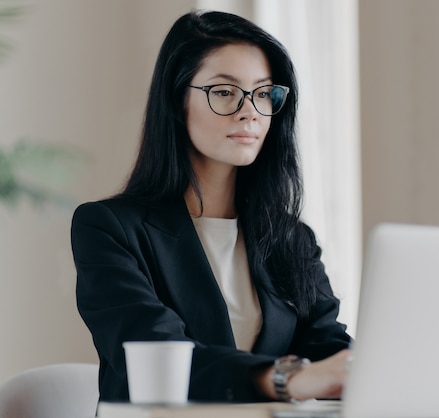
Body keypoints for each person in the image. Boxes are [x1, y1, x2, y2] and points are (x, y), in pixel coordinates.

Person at [71, 10, 352, 403]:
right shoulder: (109, 228)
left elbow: (327, 347)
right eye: (224, 91)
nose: (250, 110)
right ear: (176, 99)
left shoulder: (292, 238)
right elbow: (157, 354)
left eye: (263, 93)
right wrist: (287, 379)